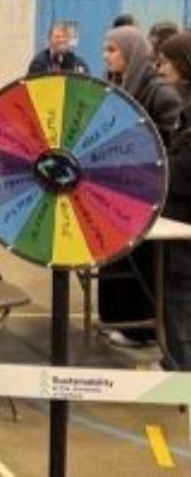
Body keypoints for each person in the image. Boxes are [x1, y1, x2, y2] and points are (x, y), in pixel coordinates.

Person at [98, 26, 181, 348]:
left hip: (145, 190)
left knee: (141, 261)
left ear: (130, 52)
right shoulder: (119, 86)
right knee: (114, 255)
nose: (106, 55)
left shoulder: (160, 92)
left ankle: (140, 329)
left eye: (112, 50)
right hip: (120, 186)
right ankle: (118, 319)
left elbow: (166, 143)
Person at [155, 31, 191, 369]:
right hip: (178, 215)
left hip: (184, 221)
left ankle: (181, 373)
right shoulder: (185, 104)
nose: (160, 67)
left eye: (165, 61)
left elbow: (182, 168)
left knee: (180, 297)